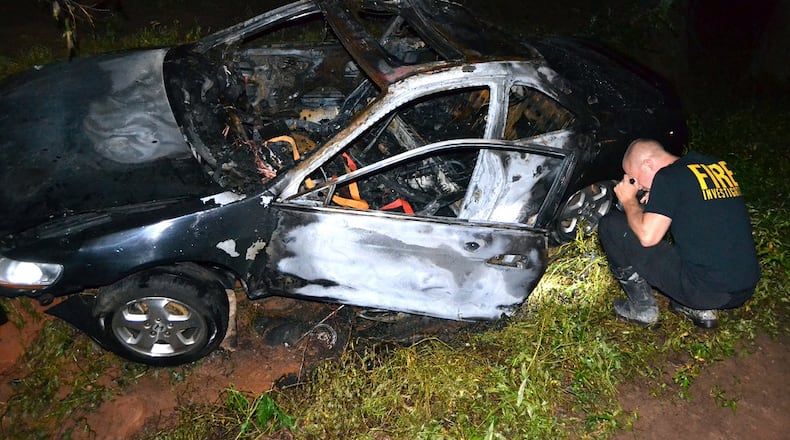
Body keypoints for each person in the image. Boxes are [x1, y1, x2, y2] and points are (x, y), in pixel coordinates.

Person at [598, 139, 760, 328]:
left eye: (635, 180)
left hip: (707, 291)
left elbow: (648, 236)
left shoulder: (668, 177)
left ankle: (642, 308)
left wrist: (628, 201)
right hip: (745, 287)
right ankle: (697, 307)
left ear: (648, 164)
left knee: (611, 224)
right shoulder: (715, 167)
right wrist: (659, 198)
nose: (639, 187)